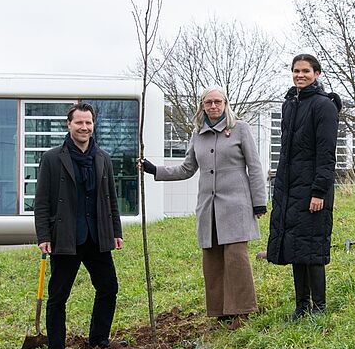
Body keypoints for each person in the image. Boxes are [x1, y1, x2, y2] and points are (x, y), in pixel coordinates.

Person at [140, 86, 267, 330]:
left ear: (225, 104)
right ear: (202, 106)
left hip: (237, 205)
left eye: (217, 101)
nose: (213, 106)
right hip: (209, 207)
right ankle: (220, 312)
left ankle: (243, 310)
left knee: (236, 258)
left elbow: (254, 165)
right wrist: (155, 169)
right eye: (208, 102)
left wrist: (259, 200)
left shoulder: (240, 128)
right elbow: (187, 169)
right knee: (212, 259)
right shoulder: (197, 134)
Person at [35, 103, 123, 349]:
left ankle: (98, 339)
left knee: (108, 287)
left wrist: (115, 231)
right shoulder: (52, 158)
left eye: (88, 123)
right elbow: (42, 202)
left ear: (93, 125)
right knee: (59, 296)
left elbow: (111, 199)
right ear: (69, 125)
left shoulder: (103, 158)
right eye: (79, 123)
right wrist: (43, 236)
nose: (84, 127)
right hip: (65, 237)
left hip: (97, 236)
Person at [267, 54, 341, 320]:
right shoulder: (290, 105)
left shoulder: (324, 106)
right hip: (290, 189)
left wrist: (319, 191)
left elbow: (326, 153)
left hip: (313, 190)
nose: (300, 75)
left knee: (313, 250)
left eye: (306, 71)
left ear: (317, 73)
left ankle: (319, 308)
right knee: (296, 248)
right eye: (296, 71)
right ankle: (301, 307)